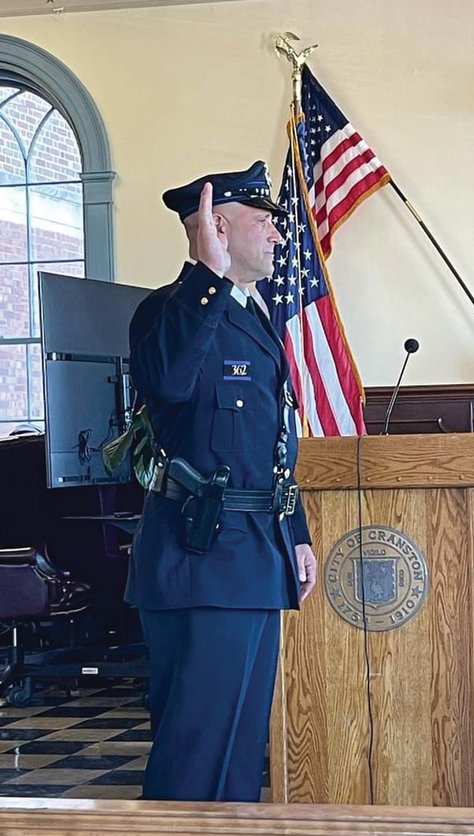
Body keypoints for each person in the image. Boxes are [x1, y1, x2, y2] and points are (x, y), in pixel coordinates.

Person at [126, 160, 317, 802]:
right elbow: (170, 382)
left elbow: (272, 443)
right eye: (263, 223)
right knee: (195, 745)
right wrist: (203, 276)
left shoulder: (255, 315)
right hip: (198, 554)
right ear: (216, 228)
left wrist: (297, 534)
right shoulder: (169, 312)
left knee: (238, 746)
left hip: (255, 553)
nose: (277, 236)